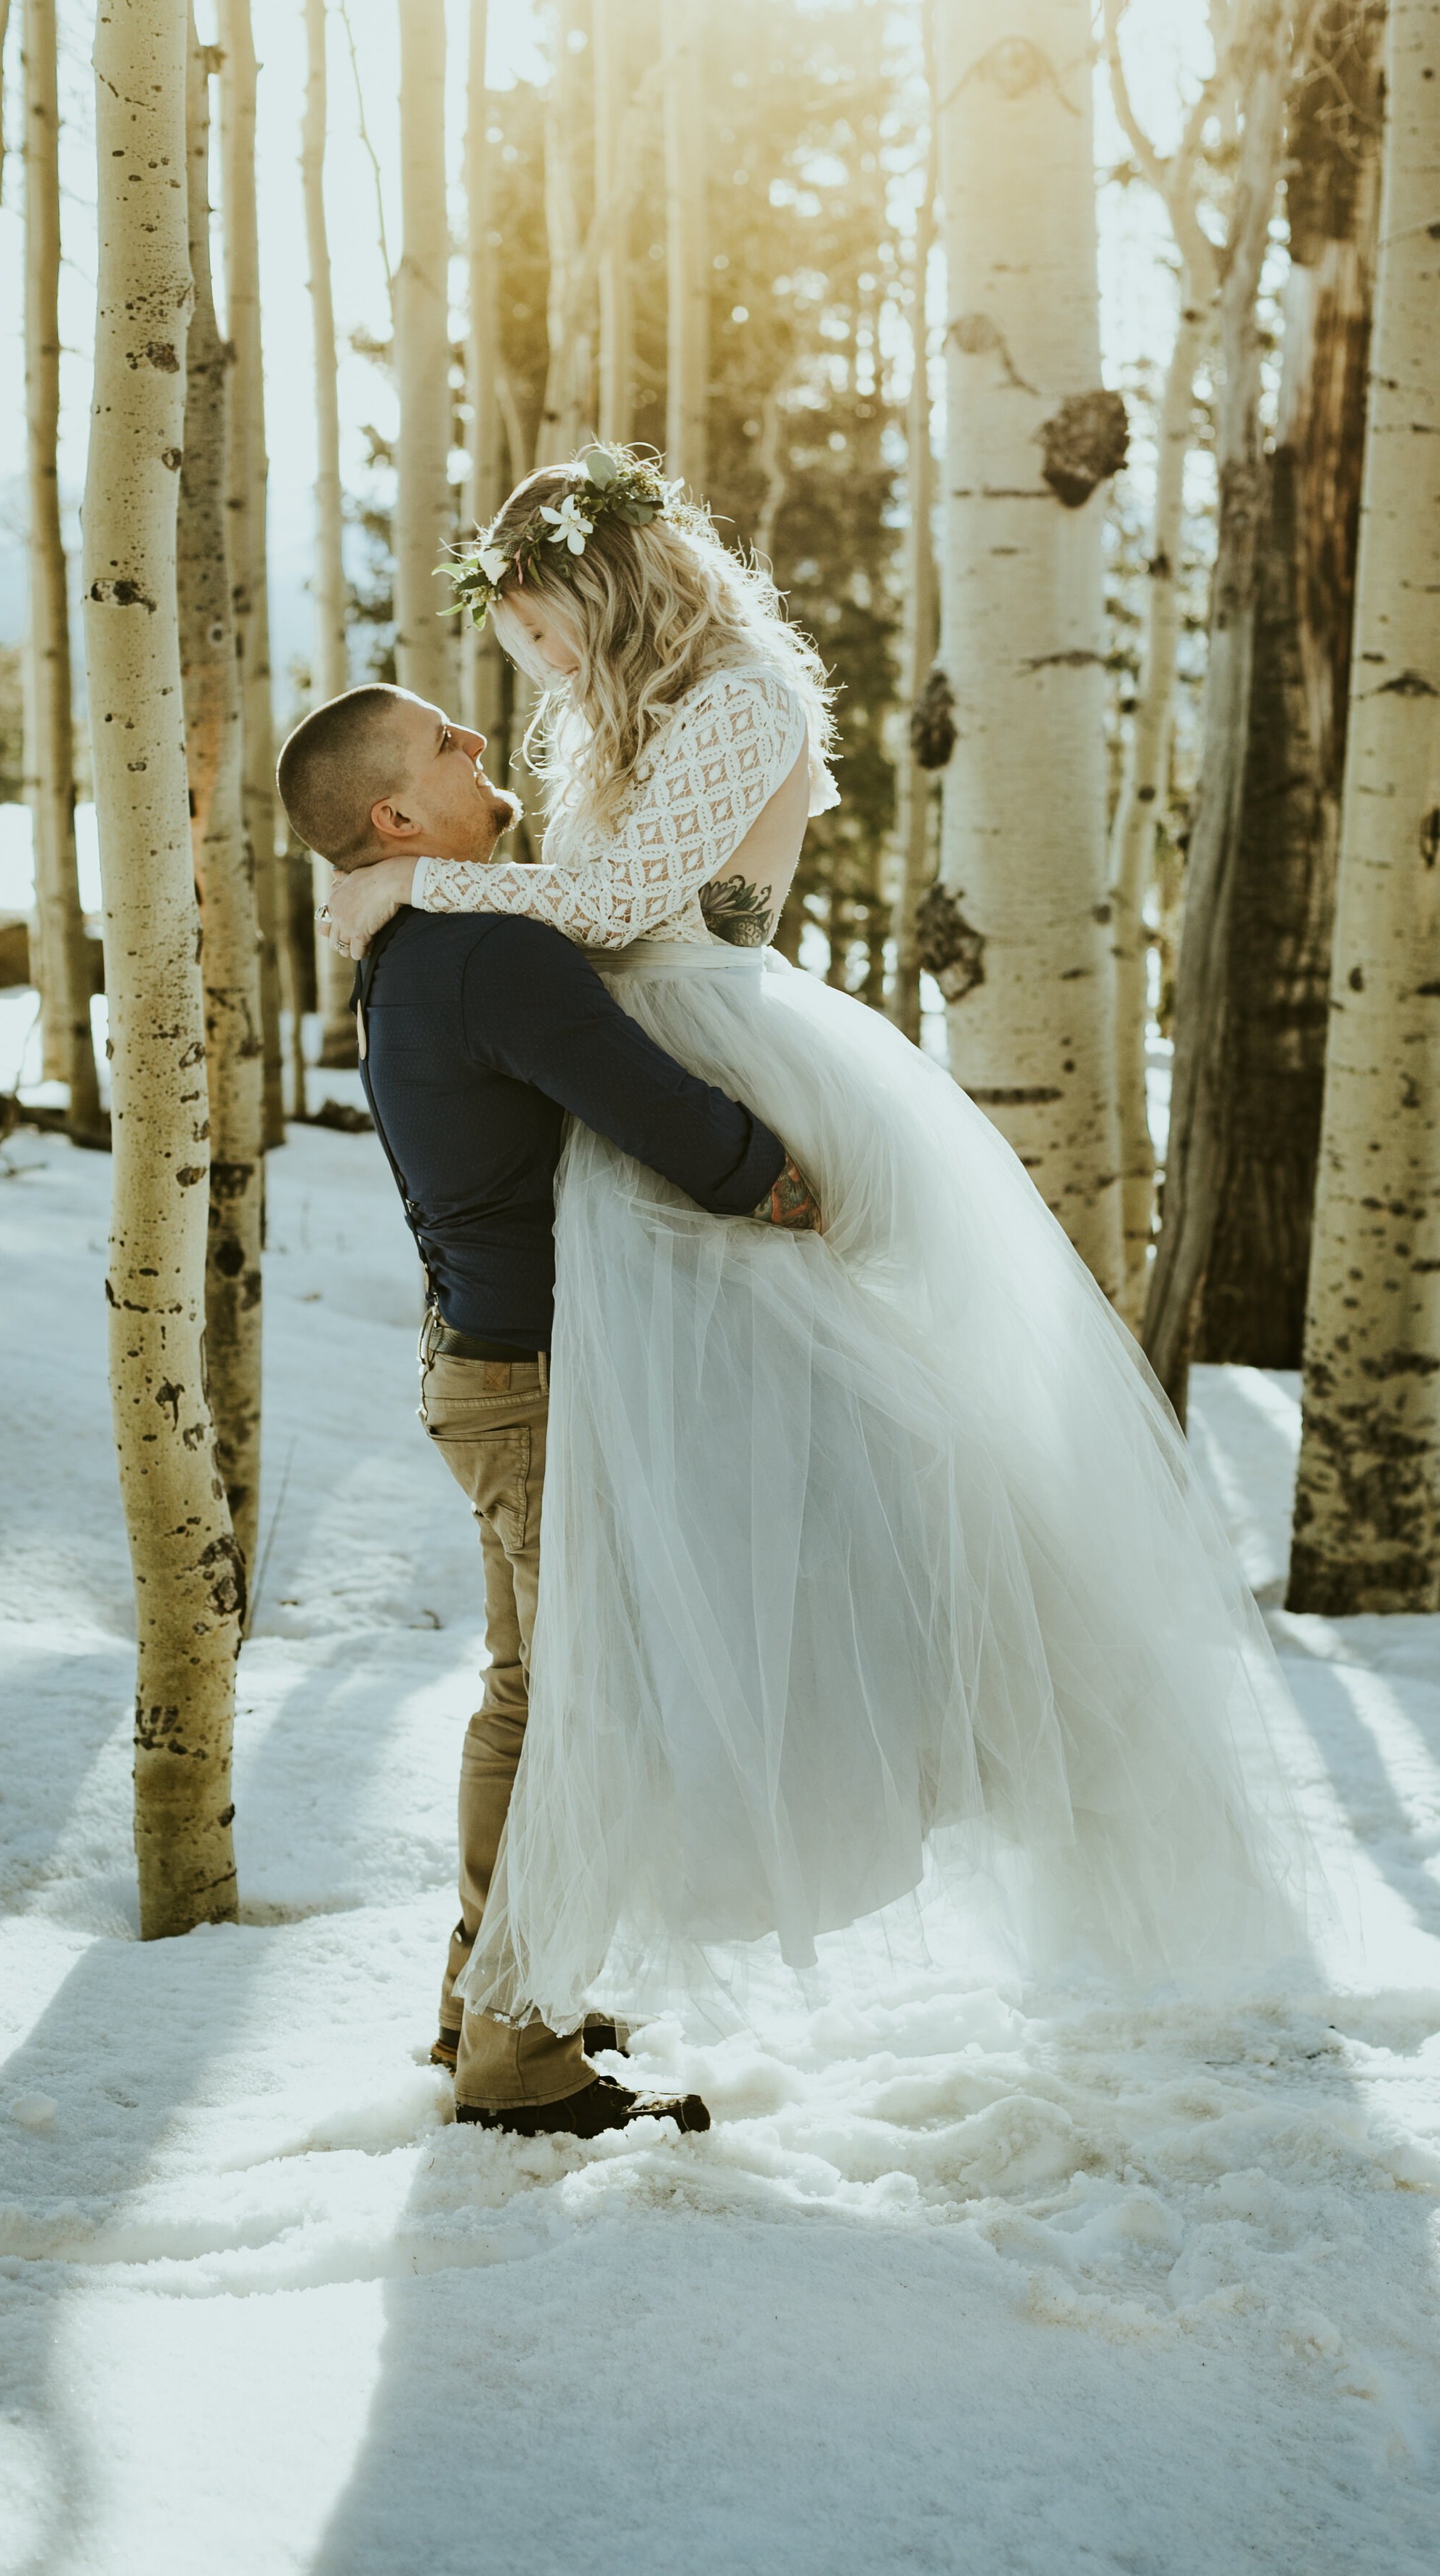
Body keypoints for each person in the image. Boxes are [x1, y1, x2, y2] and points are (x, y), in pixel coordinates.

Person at [321, 445, 1318, 2046]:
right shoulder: (612, 715)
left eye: (540, 630)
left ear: (601, 587)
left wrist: (411, 880)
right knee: (632, 1569)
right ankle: (536, 1973)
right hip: (623, 1105)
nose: (536, 670)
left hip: (711, 1063)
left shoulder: (740, 700)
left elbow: (630, 890)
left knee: (845, 1479)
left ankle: (877, 1782)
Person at [277, 687, 820, 2139]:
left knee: (533, 1698)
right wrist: (788, 1178)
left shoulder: (418, 943)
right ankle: (514, 2054)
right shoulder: (486, 953)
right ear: (395, 820)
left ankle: (487, 2007)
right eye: (444, 745)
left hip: (488, 1367)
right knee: (571, 1705)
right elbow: (652, 1107)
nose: (478, 742)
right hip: (527, 1382)